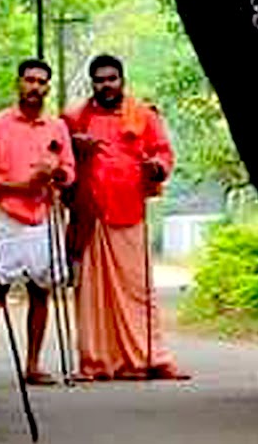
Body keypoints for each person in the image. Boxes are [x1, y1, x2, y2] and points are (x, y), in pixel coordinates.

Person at [64, 54, 187, 382]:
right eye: (100, 80)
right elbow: (56, 156)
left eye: (111, 79)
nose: (106, 85)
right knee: (92, 295)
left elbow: (163, 152)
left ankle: (147, 358)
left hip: (129, 210)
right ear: (93, 83)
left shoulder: (143, 115)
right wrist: (75, 147)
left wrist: (156, 167)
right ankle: (96, 363)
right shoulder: (74, 118)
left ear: (122, 80)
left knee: (138, 290)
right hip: (90, 214)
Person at [0, 58, 76, 389]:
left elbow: (70, 171)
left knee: (40, 290)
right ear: (18, 83)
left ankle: (32, 365)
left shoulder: (56, 127)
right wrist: (17, 187)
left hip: (44, 214)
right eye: (30, 80)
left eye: (42, 82)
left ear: (48, 87)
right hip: (8, 215)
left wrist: (56, 174)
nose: (35, 87)